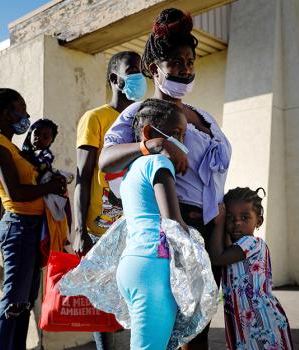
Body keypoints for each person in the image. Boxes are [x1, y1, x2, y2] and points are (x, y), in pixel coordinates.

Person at [99, 9, 231, 349]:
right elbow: (105, 159)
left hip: (209, 228)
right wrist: (150, 144)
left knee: (200, 328)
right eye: (175, 63)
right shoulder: (141, 112)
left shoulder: (202, 116)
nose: (185, 69)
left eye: (189, 62)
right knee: (177, 329)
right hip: (176, 227)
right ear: (155, 68)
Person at [0, 88, 65, 350]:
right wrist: (48, 188)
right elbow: (15, 193)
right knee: (13, 302)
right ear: (7, 113)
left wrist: (52, 181)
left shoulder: (12, 147)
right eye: (22, 108)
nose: (27, 114)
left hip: (31, 228)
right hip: (18, 226)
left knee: (24, 302)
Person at [73, 51, 143, 349]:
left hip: (137, 224)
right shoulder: (95, 118)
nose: (140, 76)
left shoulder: (143, 117)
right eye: (132, 70)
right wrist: (78, 229)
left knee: (137, 298)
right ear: (115, 78)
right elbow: (82, 176)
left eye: (142, 70)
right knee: (104, 304)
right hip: (100, 228)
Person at [116, 99, 188, 349]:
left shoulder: (131, 169)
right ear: (149, 134)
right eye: (176, 134)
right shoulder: (160, 162)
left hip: (133, 265)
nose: (182, 141)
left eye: (184, 135)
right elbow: (172, 223)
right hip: (153, 267)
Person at [209, 188, 294, 349]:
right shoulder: (236, 247)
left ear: (259, 222)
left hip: (261, 321)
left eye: (245, 217)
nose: (237, 223)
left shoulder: (252, 244)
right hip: (245, 321)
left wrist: (219, 223)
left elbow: (217, 257)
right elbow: (226, 250)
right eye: (230, 218)